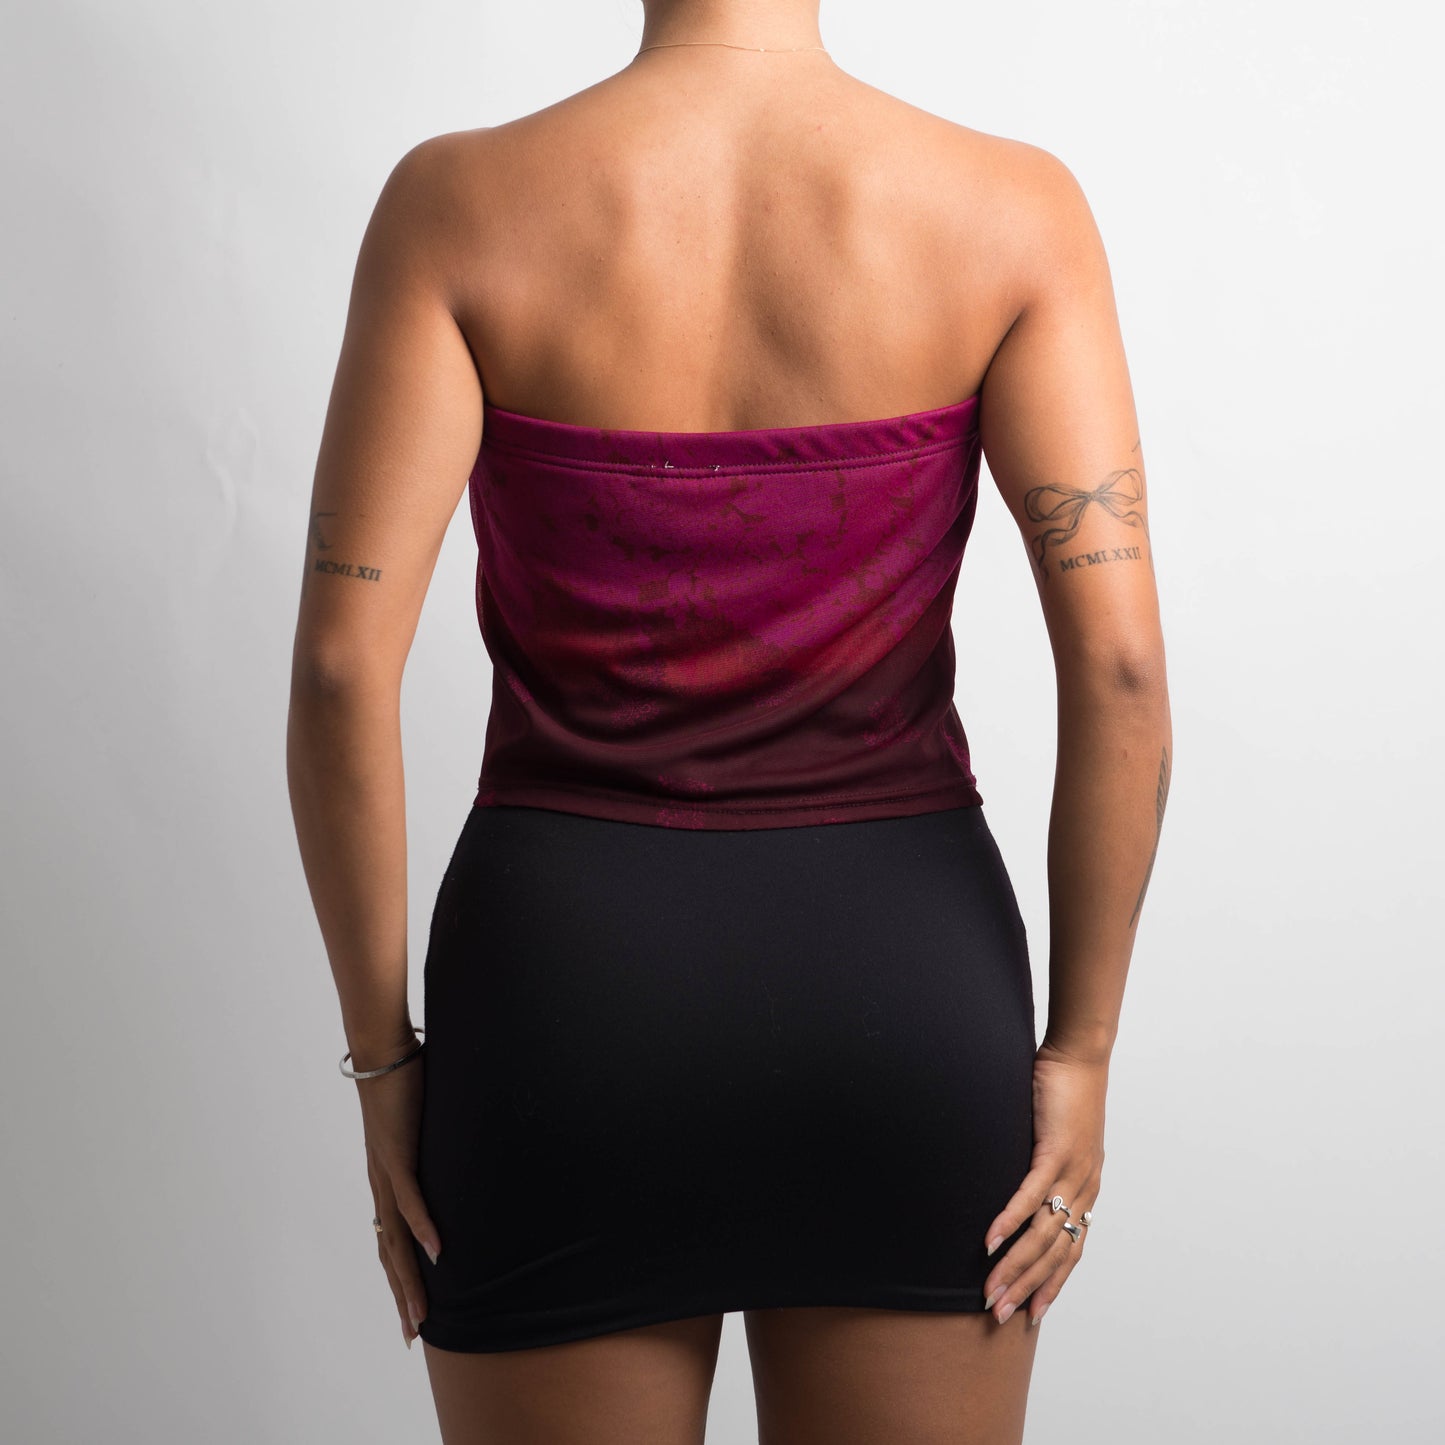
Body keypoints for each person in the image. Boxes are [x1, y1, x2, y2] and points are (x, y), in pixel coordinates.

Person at [286, 1, 1172, 1440]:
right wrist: (1079, 1049)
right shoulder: (1014, 208)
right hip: (903, 993)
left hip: (564, 1000)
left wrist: (385, 1065)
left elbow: (340, 669)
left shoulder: (454, 204)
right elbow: (1121, 668)